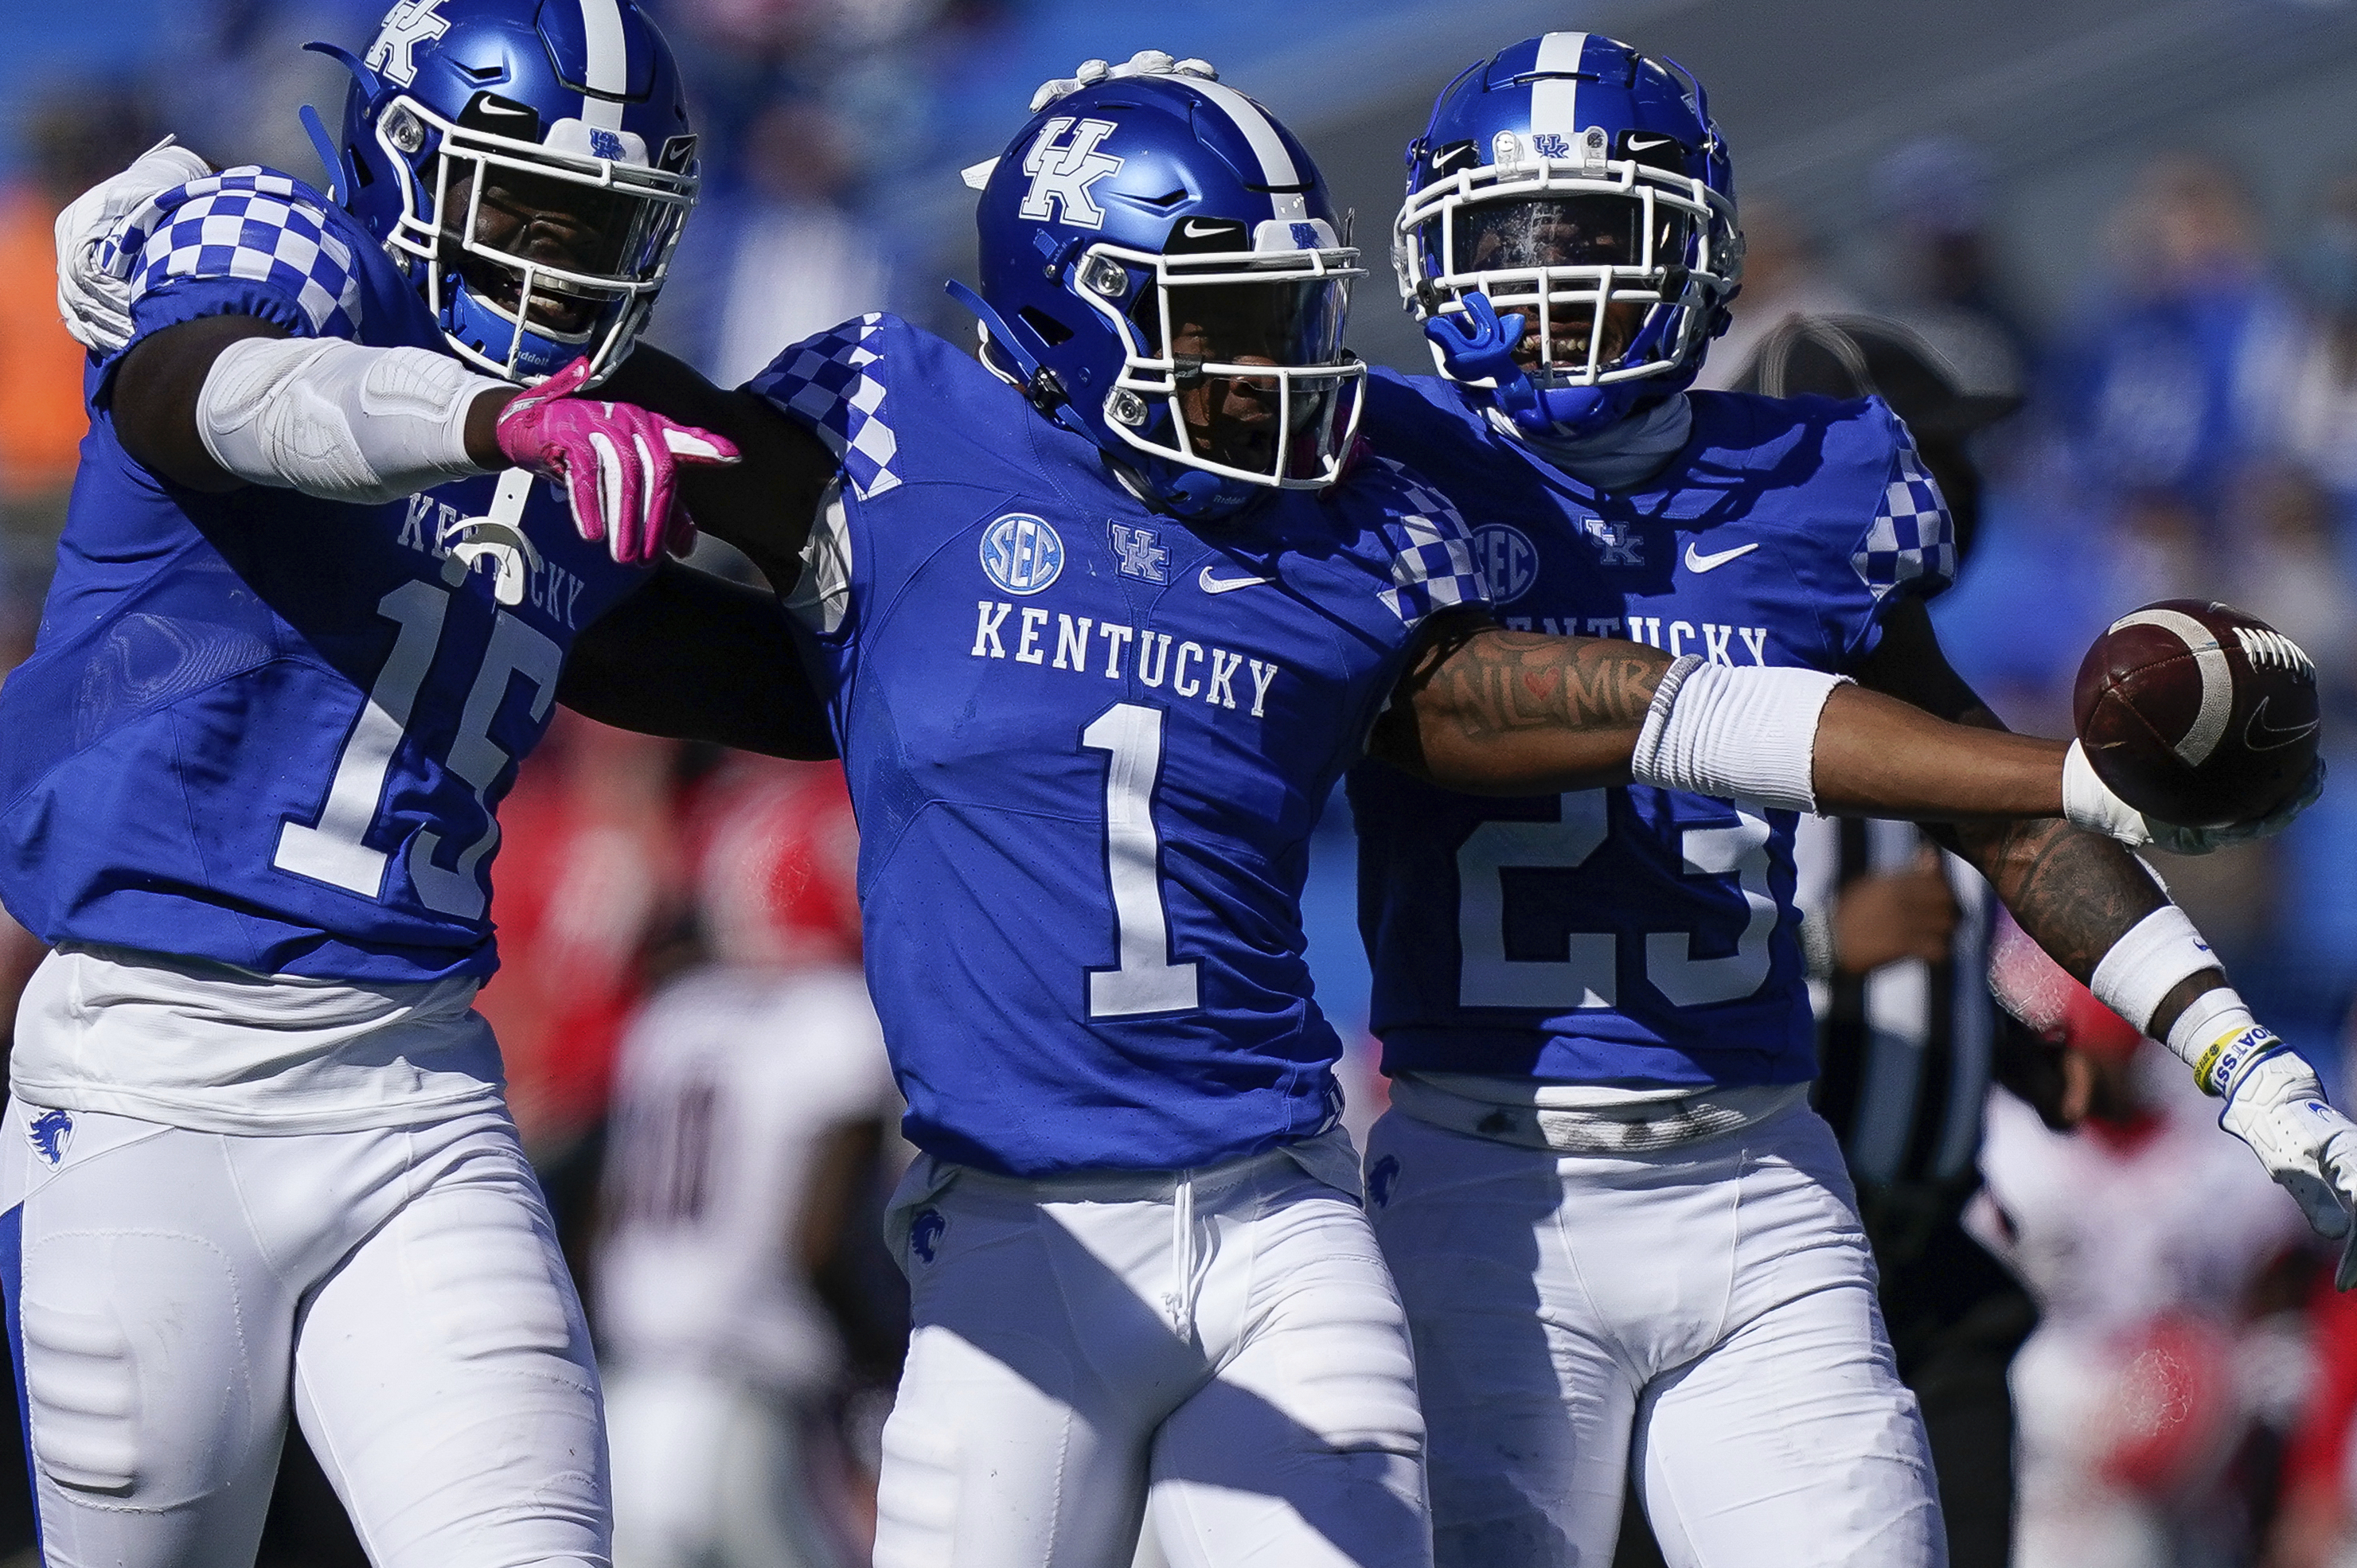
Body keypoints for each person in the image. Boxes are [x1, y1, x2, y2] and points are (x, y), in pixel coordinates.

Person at [53, 47, 2325, 1568]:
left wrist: (2095, 839)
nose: (1277, 378)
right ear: (1069, 321)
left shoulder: (1401, 518)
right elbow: (586, 457)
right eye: (1212, 326)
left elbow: (1684, 704)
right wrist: (249, 276)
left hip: (1397, 1209)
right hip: (1192, 1215)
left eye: (1281, 318)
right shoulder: (948, 456)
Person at [1342, 30, 2351, 1568]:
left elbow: (2003, 825)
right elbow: (1667, 723)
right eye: (1508, 239)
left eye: (1598, 235)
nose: (1553, 286)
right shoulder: (1388, 474)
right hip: (1494, 1182)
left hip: (1759, 1172)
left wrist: (2237, 1051)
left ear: (1701, 244)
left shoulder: (1815, 479)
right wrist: (2070, 774)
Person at [0, 3, 829, 1565]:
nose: (561, 261)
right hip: (143, 1085)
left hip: (417, 1091)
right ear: (403, 159)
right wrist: (483, 421)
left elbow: (750, 675)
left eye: (604, 222)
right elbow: (230, 399)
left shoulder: (581, 446)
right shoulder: (297, 261)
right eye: (527, 207)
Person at [597, 762, 897, 1568]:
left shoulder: (672, 1017)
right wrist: (879, 1360)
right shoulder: (840, 1021)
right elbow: (823, 1244)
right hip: (754, 1408)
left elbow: (608, 1215)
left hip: (628, 1402)